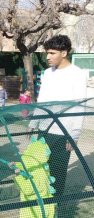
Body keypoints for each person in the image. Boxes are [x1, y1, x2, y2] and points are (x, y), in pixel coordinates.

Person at [28, 34, 87, 200]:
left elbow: (79, 106)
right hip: (44, 129)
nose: (47, 57)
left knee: (57, 173)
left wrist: (73, 135)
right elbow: (42, 101)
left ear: (64, 53)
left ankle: (53, 209)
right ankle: (38, 209)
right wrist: (34, 123)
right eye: (47, 52)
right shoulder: (47, 73)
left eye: (52, 53)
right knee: (39, 170)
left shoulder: (78, 74)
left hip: (63, 133)